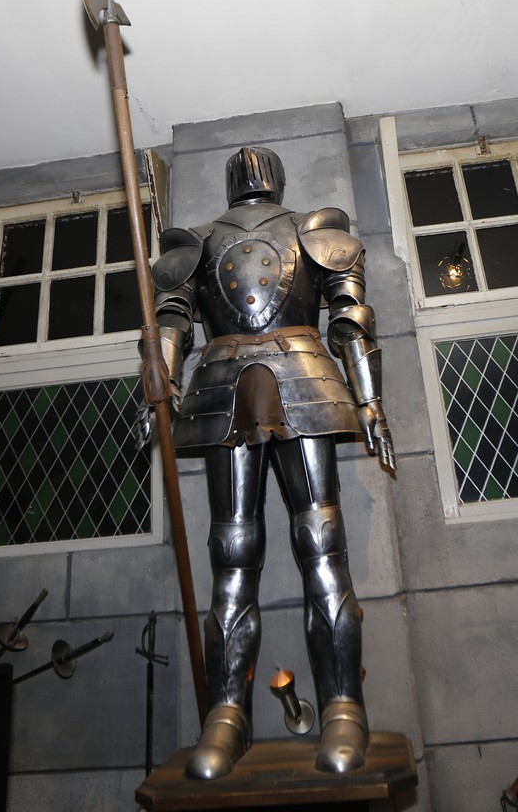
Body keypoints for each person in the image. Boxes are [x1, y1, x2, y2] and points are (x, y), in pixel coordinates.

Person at [149, 145, 395, 779]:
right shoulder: (197, 242)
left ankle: (343, 707)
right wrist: (158, 384)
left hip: (301, 382)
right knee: (236, 555)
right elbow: (171, 322)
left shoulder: (315, 232)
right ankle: (226, 716)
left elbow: (350, 319)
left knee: (319, 547)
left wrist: (371, 402)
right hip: (232, 386)